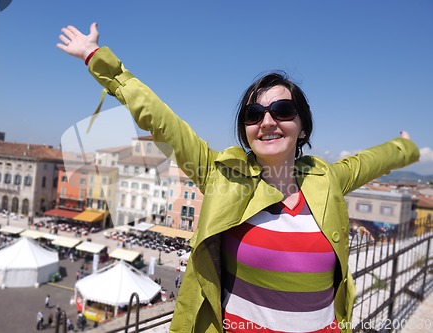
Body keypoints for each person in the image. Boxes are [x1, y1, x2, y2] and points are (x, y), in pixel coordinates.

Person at [57, 23, 420, 333]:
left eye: (282, 109)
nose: (267, 121)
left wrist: (406, 148)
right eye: (253, 113)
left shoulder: (327, 180)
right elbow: (160, 119)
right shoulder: (222, 177)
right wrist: (96, 57)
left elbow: (371, 161)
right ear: (245, 128)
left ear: (302, 124)